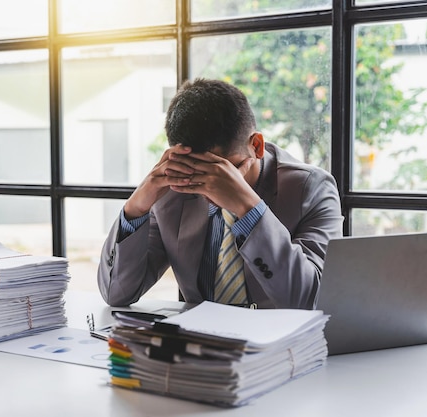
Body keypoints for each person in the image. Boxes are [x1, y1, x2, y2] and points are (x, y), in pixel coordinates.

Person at [97, 78, 343, 309]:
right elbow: (116, 294)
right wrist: (136, 207)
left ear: (256, 146)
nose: (207, 188)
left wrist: (249, 209)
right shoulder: (175, 189)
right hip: (199, 347)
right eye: (196, 173)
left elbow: (313, 301)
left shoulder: (311, 189)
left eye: (223, 172)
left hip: (285, 348)